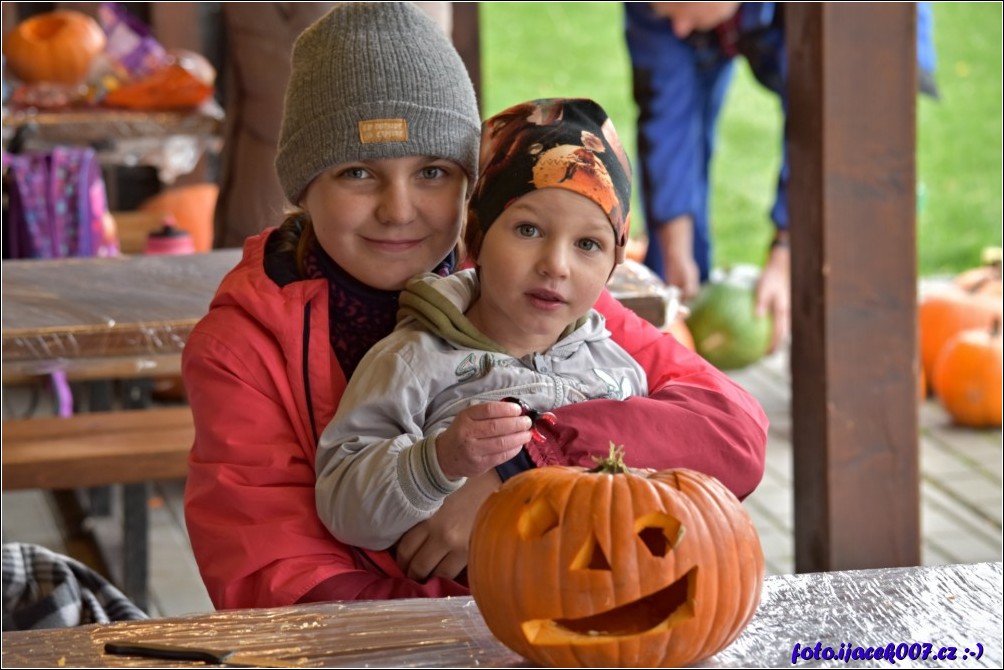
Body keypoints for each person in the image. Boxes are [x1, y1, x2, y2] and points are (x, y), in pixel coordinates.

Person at [182, 2, 768, 611]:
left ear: (471, 188)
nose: (399, 208)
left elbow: (732, 432)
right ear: (304, 186)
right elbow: (274, 576)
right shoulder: (244, 349)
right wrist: (478, 616)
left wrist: (520, 469)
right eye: (358, 172)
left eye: (433, 171)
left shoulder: (529, 297)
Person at [315, 98, 648, 551]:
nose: (556, 265)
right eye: (528, 230)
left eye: (588, 243)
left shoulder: (619, 370)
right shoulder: (413, 362)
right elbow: (343, 508)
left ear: (614, 263)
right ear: (478, 236)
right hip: (465, 611)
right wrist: (437, 462)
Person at [625, 2, 940, 352]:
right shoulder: (663, 11)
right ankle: (677, 324)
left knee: (859, 173)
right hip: (739, 16)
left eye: (680, 9)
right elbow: (667, 119)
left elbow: (823, 123)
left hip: (857, 28)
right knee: (675, 267)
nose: (678, 29)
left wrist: (786, 250)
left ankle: (866, 348)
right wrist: (675, 246)